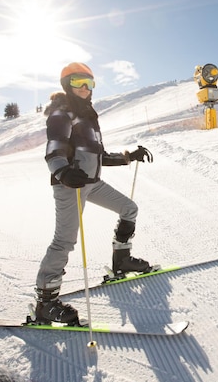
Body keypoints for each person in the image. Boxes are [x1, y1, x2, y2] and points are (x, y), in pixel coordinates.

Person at [34, 62, 154, 325]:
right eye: (79, 82)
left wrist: (128, 157)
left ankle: (121, 261)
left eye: (90, 83)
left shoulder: (87, 114)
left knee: (129, 208)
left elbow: (98, 156)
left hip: (93, 183)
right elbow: (54, 150)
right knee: (64, 241)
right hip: (70, 185)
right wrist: (63, 172)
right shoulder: (61, 113)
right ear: (67, 84)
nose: (86, 88)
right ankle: (45, 302)